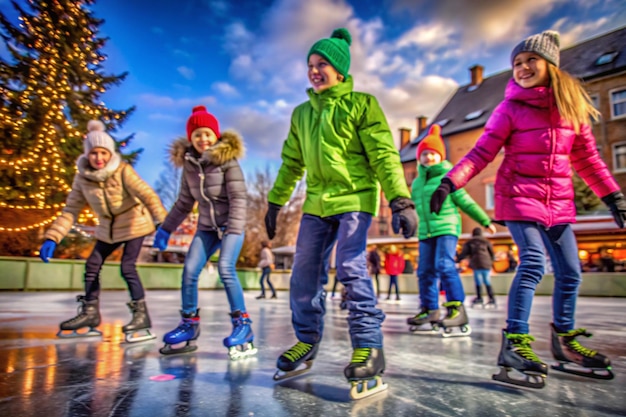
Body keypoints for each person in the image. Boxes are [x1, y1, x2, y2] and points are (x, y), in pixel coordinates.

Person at [430, 30, 624, 387]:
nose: (521, 67)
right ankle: (515, 343)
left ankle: (563, 341)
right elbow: (480, 152)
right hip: (518, 195)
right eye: (516, 62)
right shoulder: (510, 108)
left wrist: (613, 196)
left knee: (570, 271)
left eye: (529, 60)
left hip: (559, 202)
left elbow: (588, 159)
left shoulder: (571, 110)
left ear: (550, 65)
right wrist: (450, 182)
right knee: (533, 260)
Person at [264, 28, 417, 399]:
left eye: (323, 64)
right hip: (316, 204)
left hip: (355, 198)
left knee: (350, 265)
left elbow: (383, 154)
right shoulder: (301, 114)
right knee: (303, 273)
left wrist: (400, 199)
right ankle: (306, 340)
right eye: (311, 65)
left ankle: (369, 346)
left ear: (341, 72)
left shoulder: (362, 105)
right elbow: (291, 162)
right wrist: (275, 201)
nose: (315, 70)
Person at [39, 120, 167, 343]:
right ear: (87, 155)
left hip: (135, 223)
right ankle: (90, 313)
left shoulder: (123, 171)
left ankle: (141, 316)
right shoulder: (82, 179)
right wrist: (52, 237)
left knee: (127, 267)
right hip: (108, 228)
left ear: (110, 154)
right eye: (94, 153)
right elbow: (71, 210)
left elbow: (148, 195)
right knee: (92, 265)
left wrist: (164, 224)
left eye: (103, 153)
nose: (99, 158)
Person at [153, 105, 257, 360]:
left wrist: (232, 229)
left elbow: (239, 198)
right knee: (189, 271)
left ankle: (243, 326)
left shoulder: (227, 160)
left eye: (207, 134)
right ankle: (189, 324)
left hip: (231, 225)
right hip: (207, 227)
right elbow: (184, 202)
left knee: (226, 269)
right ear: (191, 137)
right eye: (198, 134)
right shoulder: (190, 165)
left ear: (216, 135)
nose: (203, 139)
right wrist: (165, 228)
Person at [406, 125, 495, 336]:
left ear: (440, 156)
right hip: (425, 232)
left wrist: (484, 220)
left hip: (446, 228)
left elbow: (466, 202)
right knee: (425, 271)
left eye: (432, 154)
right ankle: (429, 309)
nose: (428, 158)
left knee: (444, 265)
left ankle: (456, 308)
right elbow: (412, 205)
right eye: (424, 154)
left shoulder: (448, 176)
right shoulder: (417, 183)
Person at [457, 227, 496, 308]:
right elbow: (492, 253)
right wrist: (491, 262)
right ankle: (491, 298)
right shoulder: (486, 241)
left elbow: (464, 253)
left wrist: (458, 259)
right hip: (486, 263)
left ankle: (479, 298)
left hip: (476, 263)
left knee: (478, 281)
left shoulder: (470, 242)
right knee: (487, 281)